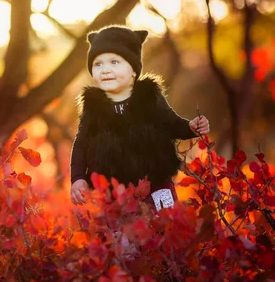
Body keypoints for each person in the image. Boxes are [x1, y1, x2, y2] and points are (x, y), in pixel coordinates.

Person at [70, 26, 210, 212]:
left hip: (155, 184)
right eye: (98, 64)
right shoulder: (93, 107)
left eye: (114, 62)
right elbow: (82, 144)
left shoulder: (148, 97)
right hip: (114, 192)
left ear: (134, 70)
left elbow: (171, 123)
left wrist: (191, 127)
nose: (105, 70)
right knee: (122, 237)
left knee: (165, 229)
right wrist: (78, 178)